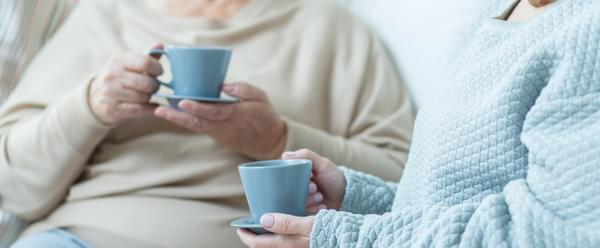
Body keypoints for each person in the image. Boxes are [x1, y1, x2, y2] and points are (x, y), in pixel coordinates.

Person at [0, 0, 414, 247]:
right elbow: (14, 188)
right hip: (78, 239)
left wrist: (276, 138)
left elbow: (407, 183)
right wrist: (90, 106)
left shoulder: (331, 28)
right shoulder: (103, 14)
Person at [236, 0, 600, 247]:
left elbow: (555, 231)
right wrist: (354, 198)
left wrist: (344, 237)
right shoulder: (500, 12)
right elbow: (450, 197)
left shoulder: (587, 31)